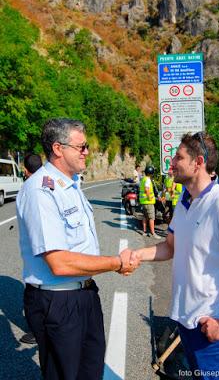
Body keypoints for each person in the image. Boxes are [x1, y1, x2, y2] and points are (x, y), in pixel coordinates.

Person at [129, 132, 219, 380]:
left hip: (213, 332)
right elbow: (170, 247)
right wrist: (137, 254)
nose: (171, 163)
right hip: (187, 322)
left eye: (178, 157)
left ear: (198, 162)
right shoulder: (184, 200)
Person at [16, 118, 139, 380]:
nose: (87, 152)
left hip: (84, 294)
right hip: (58, 300)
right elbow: (59, 263)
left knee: (91, 370)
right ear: (58, 149)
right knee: (65, 374)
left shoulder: (71, 185)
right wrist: (116, 263)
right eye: (81, 147)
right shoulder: (41, 190)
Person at [19, 153, 42, 345]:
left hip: (38, 252)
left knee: (33, 294)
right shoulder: (52, 182)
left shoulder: (28, 188)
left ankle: (37, 332)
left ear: (26, 170)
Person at [139, 165, 161, 239]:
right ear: (151, 173)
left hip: (143, 202)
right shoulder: (148, 180)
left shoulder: (143, 179)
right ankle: (153, 233)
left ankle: (144, 231)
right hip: (148, 202)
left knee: (145, 217)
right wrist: (150, 197)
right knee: (152, 218)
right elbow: (146, 190)